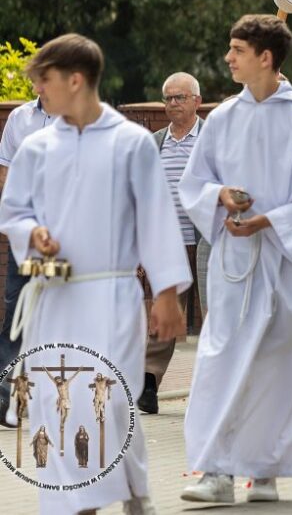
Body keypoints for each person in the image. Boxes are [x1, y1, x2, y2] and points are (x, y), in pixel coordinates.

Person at [0, 33, 191, 514]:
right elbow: (13, 211)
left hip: (110, 297)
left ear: (76, 79)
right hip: (53, 296)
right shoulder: (37, 146)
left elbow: (155, 217)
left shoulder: (130, 144)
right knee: (54, 400)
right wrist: (34, 233)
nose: (39, 91)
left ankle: (125, 489)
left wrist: (167, 294)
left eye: (45, 80)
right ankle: (74, 503)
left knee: (109, 400)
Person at [179, 14, 292, 504]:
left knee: (277, 364)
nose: (228, 58)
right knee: (220, 360)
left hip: (284, 262)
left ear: (265, 58)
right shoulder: (222, 117)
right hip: (234, 261)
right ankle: (216, 472)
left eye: (237, 50)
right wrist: (222, 196)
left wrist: (267, 221)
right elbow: (194, 183)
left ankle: (265, 470)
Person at [139, 71, 205, 415]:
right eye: (168, 98)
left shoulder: (212, 138)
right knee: (163, 315)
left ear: (197, 100)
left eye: (180, 97)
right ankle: (148, 384)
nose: (173, 104)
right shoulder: (154, 142)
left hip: (209, 239)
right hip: (169, 241)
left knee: (213, 313)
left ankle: (214, 388)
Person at [0, 96, 53, 425]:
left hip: (66, 240)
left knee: (57, 316)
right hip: (25, 239)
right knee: (17, 315)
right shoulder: (20, 118)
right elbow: (4, 171)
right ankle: (5, 398)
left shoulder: (79, 118)